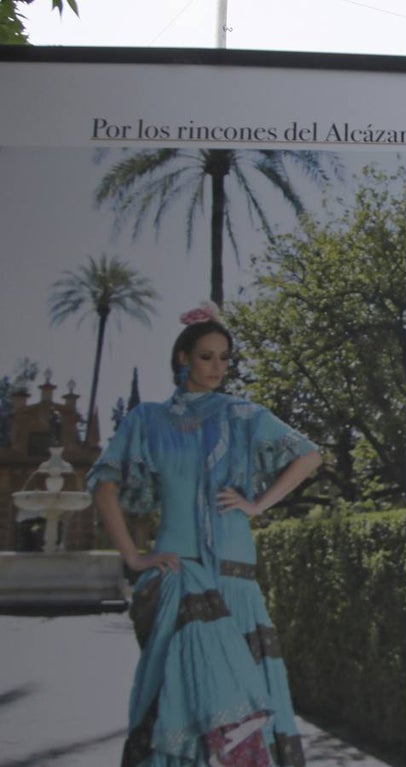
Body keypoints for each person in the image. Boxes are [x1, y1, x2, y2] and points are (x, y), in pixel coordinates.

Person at [88, 302, 323, 767]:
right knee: (178, 703)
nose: (217, 367)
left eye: (223, 358)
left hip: (236, 580)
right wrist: (133, 558)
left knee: (245, 707)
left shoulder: (244, 415)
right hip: (178, 576)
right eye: (206, 357)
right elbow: (103, 484)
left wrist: (257, 504)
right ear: (182, 359)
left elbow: (310, 456)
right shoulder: (147, 420)